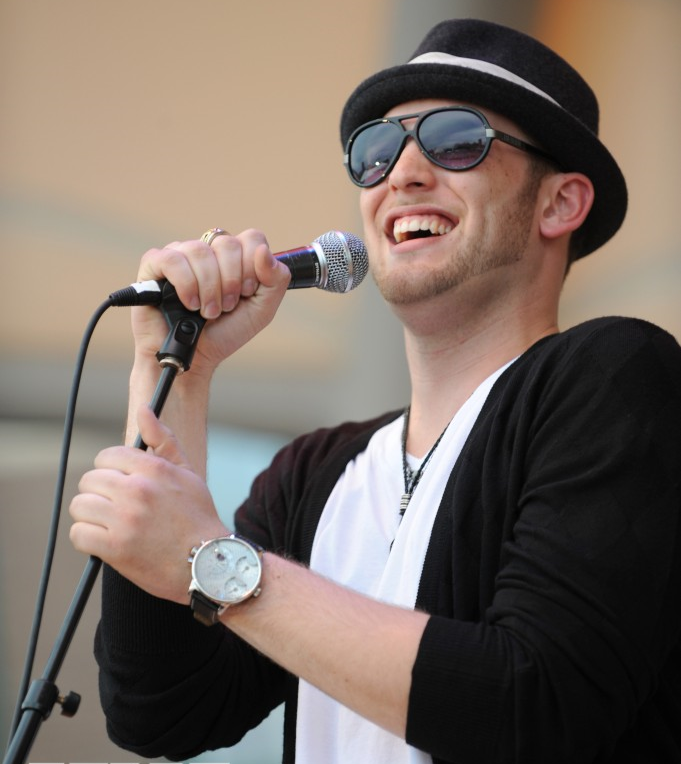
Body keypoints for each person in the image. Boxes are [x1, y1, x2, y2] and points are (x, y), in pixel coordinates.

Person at [68, 18, 681, 764]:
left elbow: (535, 702)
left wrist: (214, 560)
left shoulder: (614, 375)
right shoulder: (313, 474)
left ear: (559, 204)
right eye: (376, 151)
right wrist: (177, 373)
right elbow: (161, 713)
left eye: (457, 139)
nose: (403, 173)